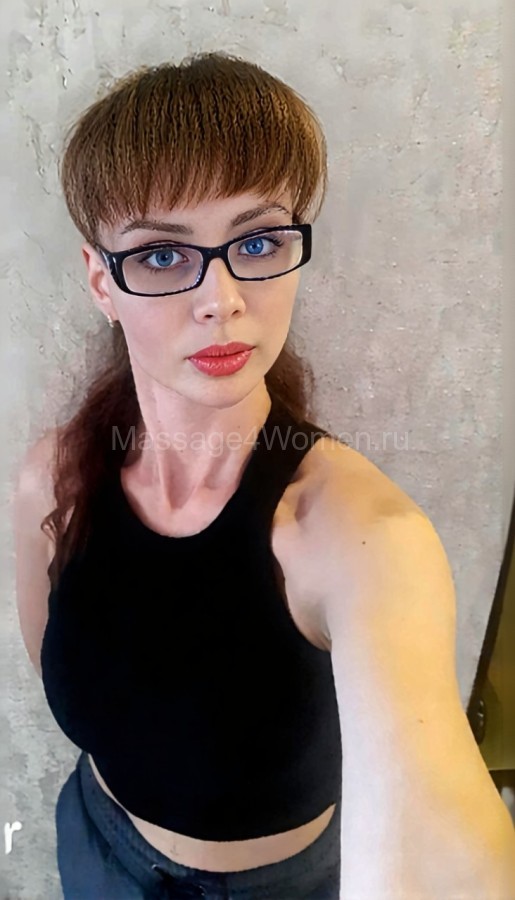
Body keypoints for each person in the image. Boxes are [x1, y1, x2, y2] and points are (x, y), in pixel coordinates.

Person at [12, 51, 515, 900]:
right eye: (162, 255)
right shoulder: (55, 481)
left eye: (255, 242)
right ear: (102, 281)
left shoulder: (356, 534)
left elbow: (439, 846)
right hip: (96, 845)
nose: (221, 298)